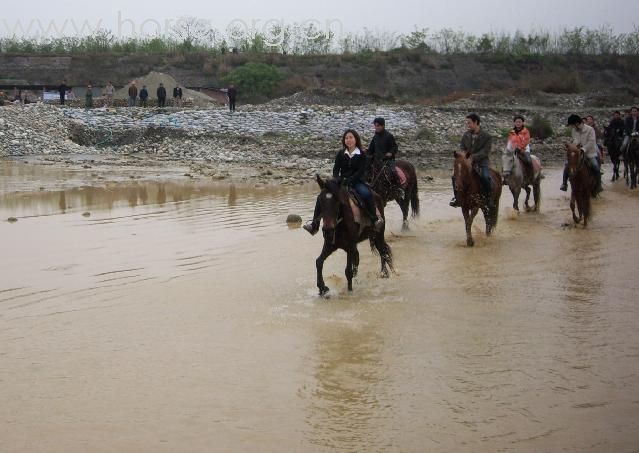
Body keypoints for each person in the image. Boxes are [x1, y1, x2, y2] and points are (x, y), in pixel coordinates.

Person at [303, 129, 383, 235]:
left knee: (367, 194)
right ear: (344, 140)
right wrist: (337, 178)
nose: (348, 140)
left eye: (351, 138)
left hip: (357, 182)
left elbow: (360, 172)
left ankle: (374, 220)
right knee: (322, 196)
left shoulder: (362, 154)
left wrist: (350, 180)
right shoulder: (341, 153)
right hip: (341, 181)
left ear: (356, 139)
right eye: (346, 138)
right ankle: (314, 224)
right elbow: (336, 169)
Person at [450, 113, 494, 210]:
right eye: (467, 123)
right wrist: (463, 156)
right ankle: (457, 198)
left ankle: (488, 198)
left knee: (485, 177)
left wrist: (472, 157)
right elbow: (462, 147)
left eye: (469, 123)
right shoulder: (466, 135)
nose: (468, 125)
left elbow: (485, 152)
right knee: (454, 177)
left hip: (482, 162)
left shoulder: (487, 136)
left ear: (476, 122)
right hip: (467, 161)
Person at [560, 114, 602, 194]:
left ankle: (598, 185)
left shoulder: (590, 129)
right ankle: (564, 184)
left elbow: (591, 142)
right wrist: (571, 145)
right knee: (567, 165)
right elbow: (576, 140)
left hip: (589, 153)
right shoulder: (574, 130)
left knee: (595, 166)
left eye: (572, 125)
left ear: (576, 123)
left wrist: (583, 149)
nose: (571, 127)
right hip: (578, 152)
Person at [367, 117, 402, 199]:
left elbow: (395, 147)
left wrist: (390, 153)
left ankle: (398, 189)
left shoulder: (389, 136)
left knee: (393, 172)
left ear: (383, 126)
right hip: (377, 160)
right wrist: (366, 152)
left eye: (378, 126)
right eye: (375, 126)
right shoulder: (375, 136)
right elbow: (371, 149)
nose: (376, 127)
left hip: (388, 160)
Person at [502, 114, 532, 184]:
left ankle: (530, 176)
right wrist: (508, 150)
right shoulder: (511, 132)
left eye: (519, 122)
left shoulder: (526, 131)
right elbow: (509, 142)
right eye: (516, 122)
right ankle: (505, 178)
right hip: (513, 151)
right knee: (505, 161)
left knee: (528, 161)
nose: (518, 123)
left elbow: (526, 141)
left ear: (522, 123)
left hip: (524, 150)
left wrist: (520, 147)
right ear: (514, 123)